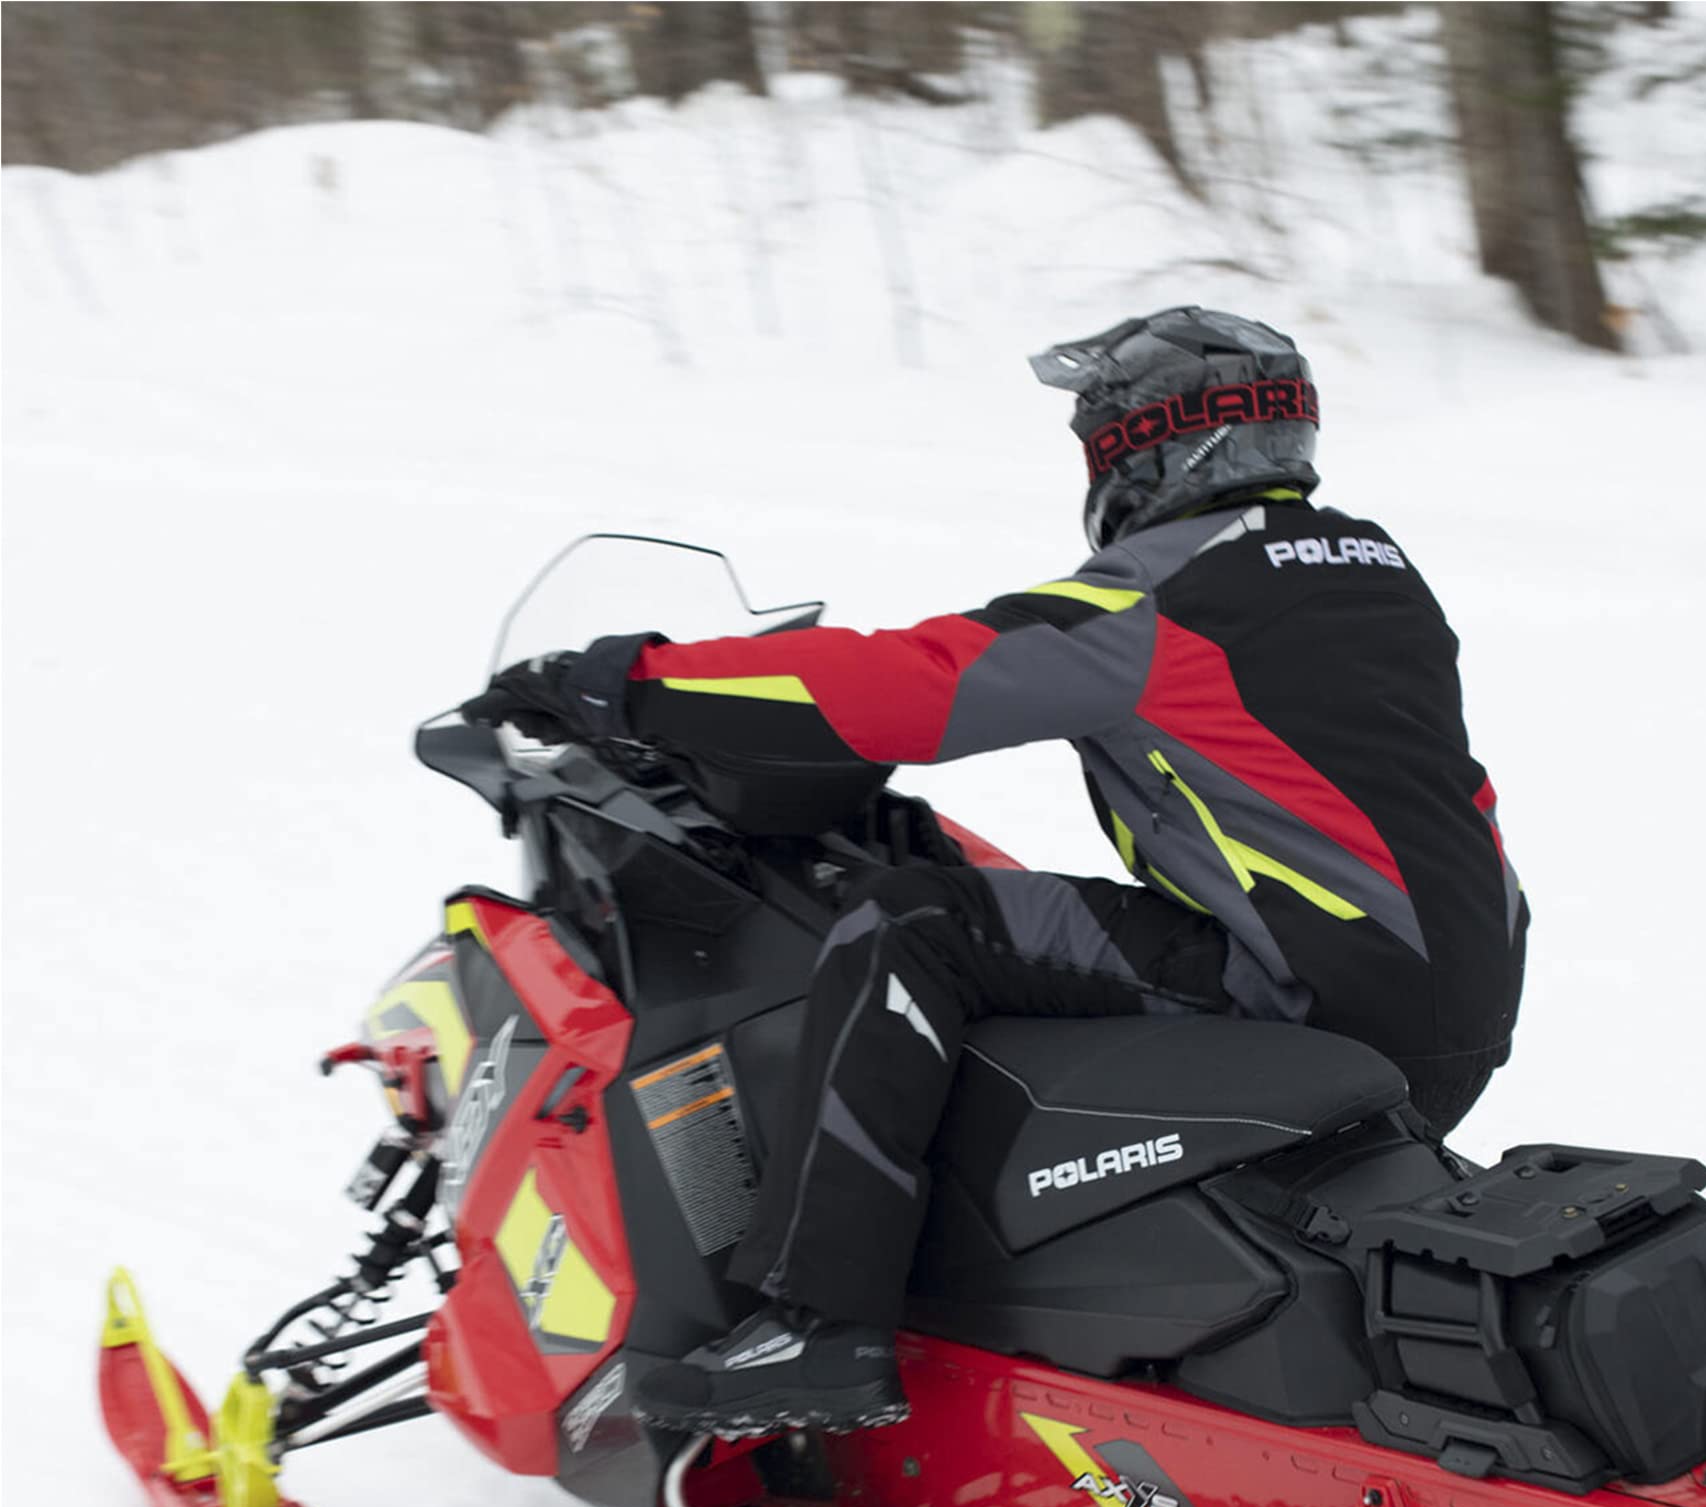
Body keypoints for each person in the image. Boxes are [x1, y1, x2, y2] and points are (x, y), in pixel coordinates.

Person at [464, 305, 1527, 1439]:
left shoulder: (1166, 596)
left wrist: (626, 681)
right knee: (996, 902)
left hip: (1303, 988)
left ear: (1150, 449)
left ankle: (823, 1324)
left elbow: (909, 684)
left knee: (902, 923)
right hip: (1460, 1001)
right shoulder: (1373, 570)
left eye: (1100, 444)